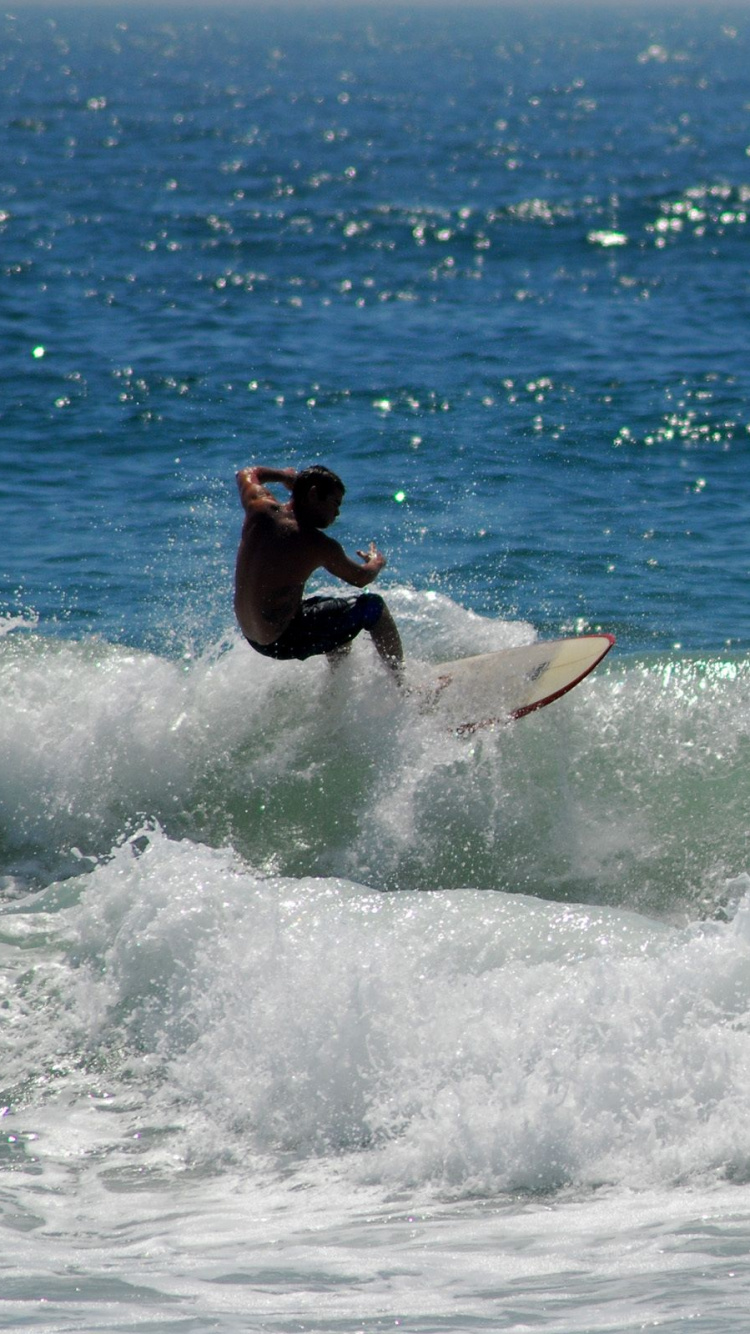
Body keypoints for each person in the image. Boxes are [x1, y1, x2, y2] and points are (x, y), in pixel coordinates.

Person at [234, 464, 404, 682]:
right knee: (373, 607)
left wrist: (285, 476)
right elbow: (361, 578)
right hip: (283, 639)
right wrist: (376, 563)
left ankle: (335, 690)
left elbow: (246, 474)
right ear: (313, 494)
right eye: (334, 503)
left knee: (335, 613)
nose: (337, 513)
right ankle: (403, 686)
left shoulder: (259, 508)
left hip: (252, 636)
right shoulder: (316, 543)